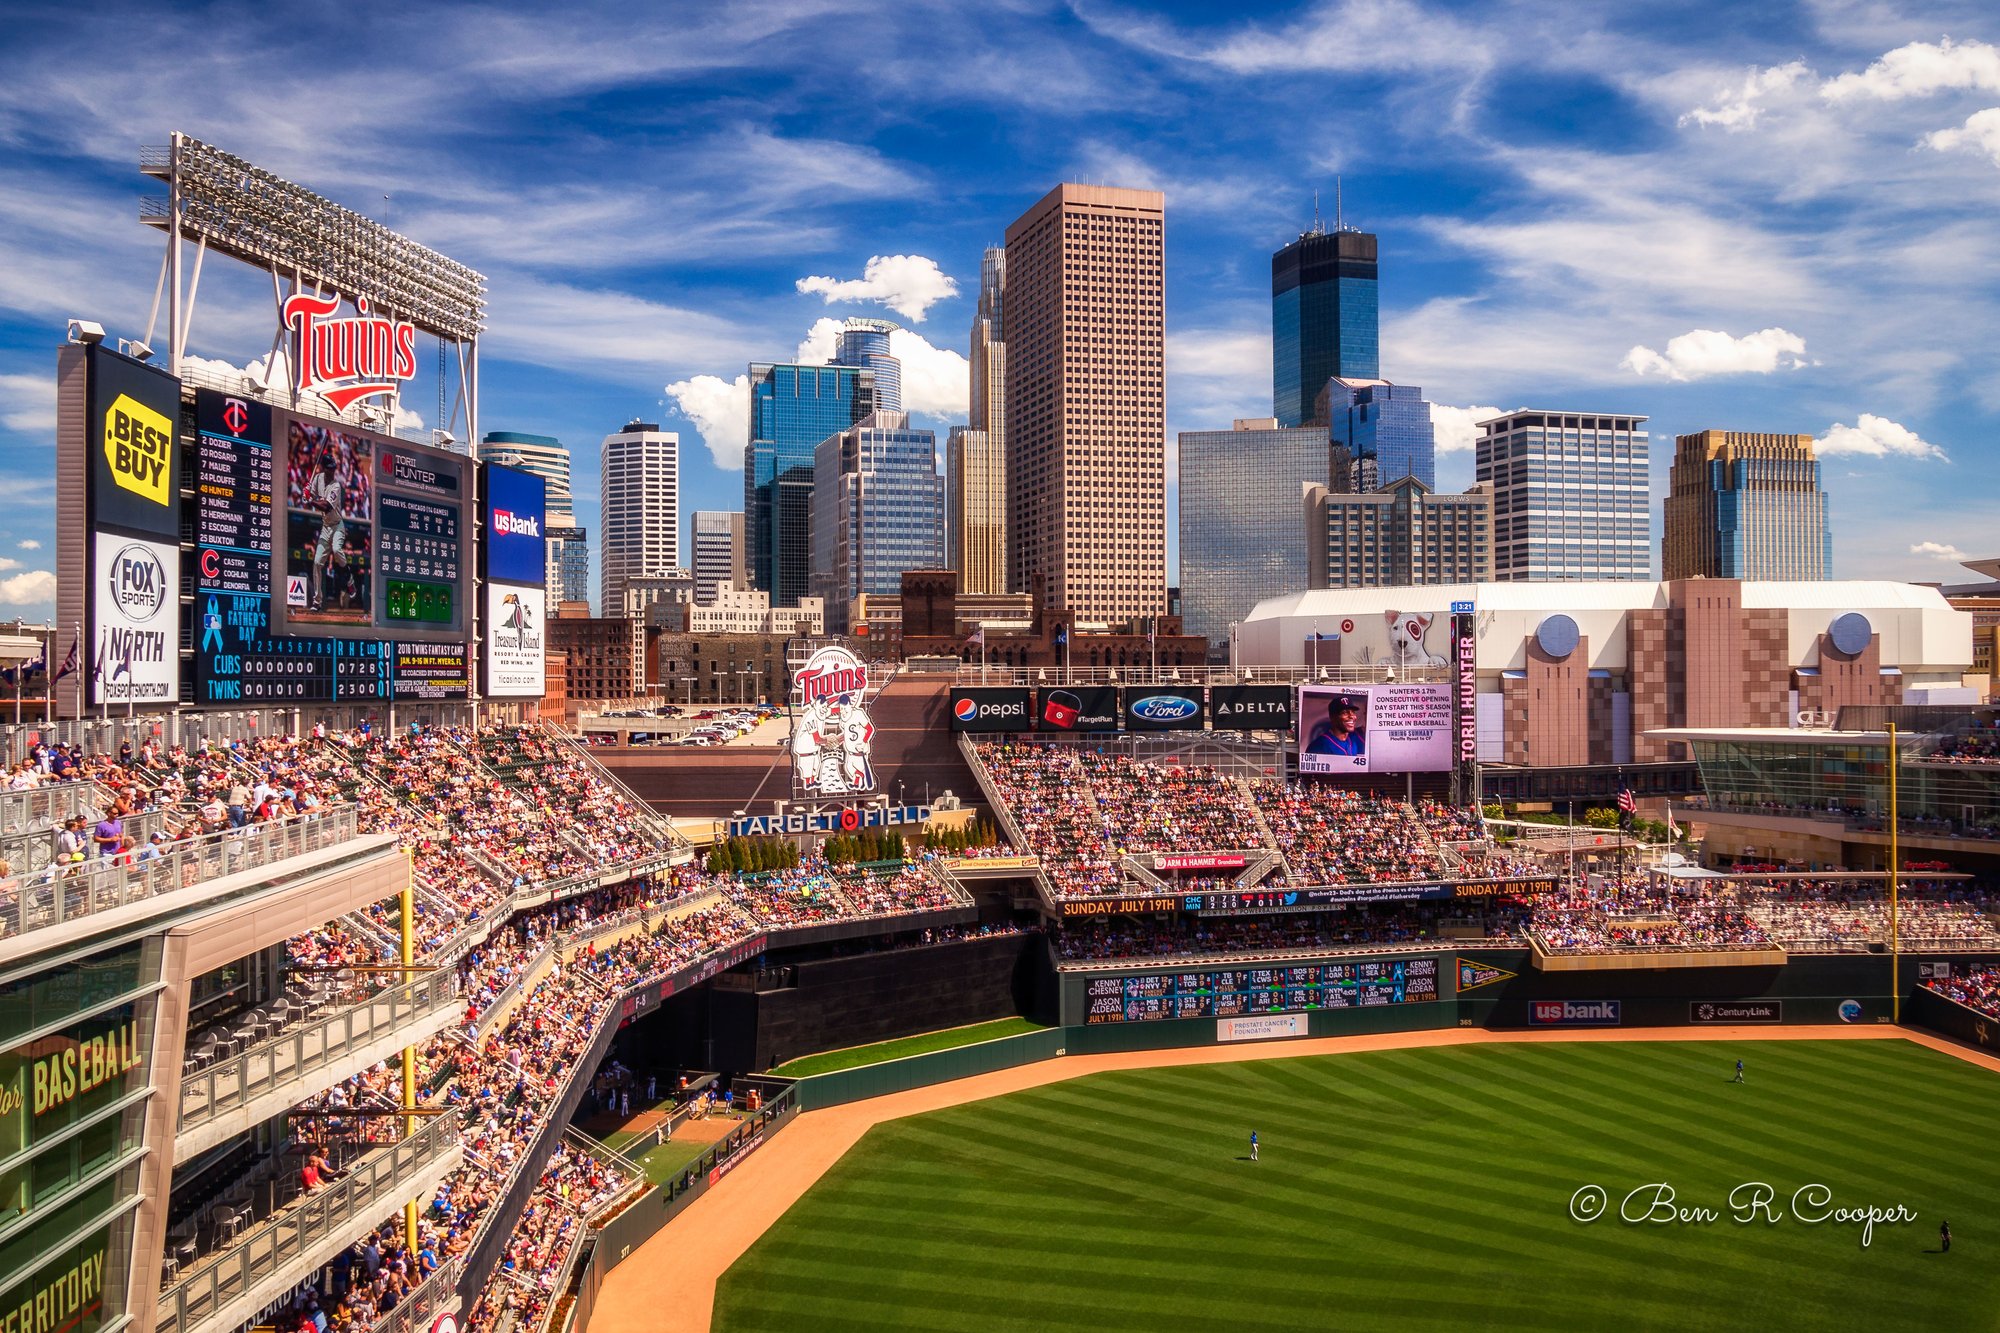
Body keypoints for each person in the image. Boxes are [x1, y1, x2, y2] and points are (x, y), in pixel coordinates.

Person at [306, 450, 351, 613]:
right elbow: (309, 495)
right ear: (324, 468)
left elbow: (325, 506)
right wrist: (306, 493)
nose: (332, 471)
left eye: (334, 468)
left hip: (338, 525)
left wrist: (310, 500)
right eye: (329, 468)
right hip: (325, 527)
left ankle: (347, 573)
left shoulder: (336, 485)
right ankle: (317, 601)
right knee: (317, 562)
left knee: (337, 549)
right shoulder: (317, 479)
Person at [1305, 693, 1367, 759]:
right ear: (1332, 717)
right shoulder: (1319, 745)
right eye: (1345, 712)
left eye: (1353, 712)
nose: (1351, 716)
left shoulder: (1353, 741)